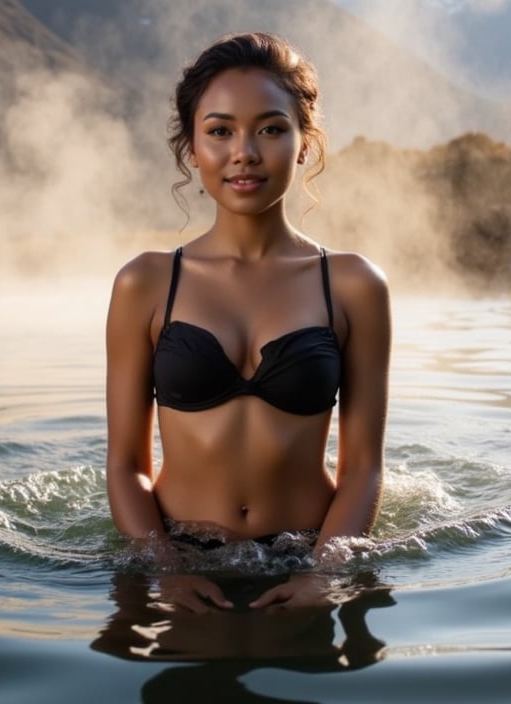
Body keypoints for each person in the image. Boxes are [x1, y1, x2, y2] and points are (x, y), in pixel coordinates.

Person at [105, 32, 391, 612]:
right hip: (178, 555)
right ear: (191, 148)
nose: (244, 152)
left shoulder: (354, 285)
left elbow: (363, 467)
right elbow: (125, 467)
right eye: (219, 131)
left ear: (304, 143)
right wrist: (163, 569)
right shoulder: (146, 283)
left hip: (306, 553)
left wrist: (326, 574)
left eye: (270, 128)